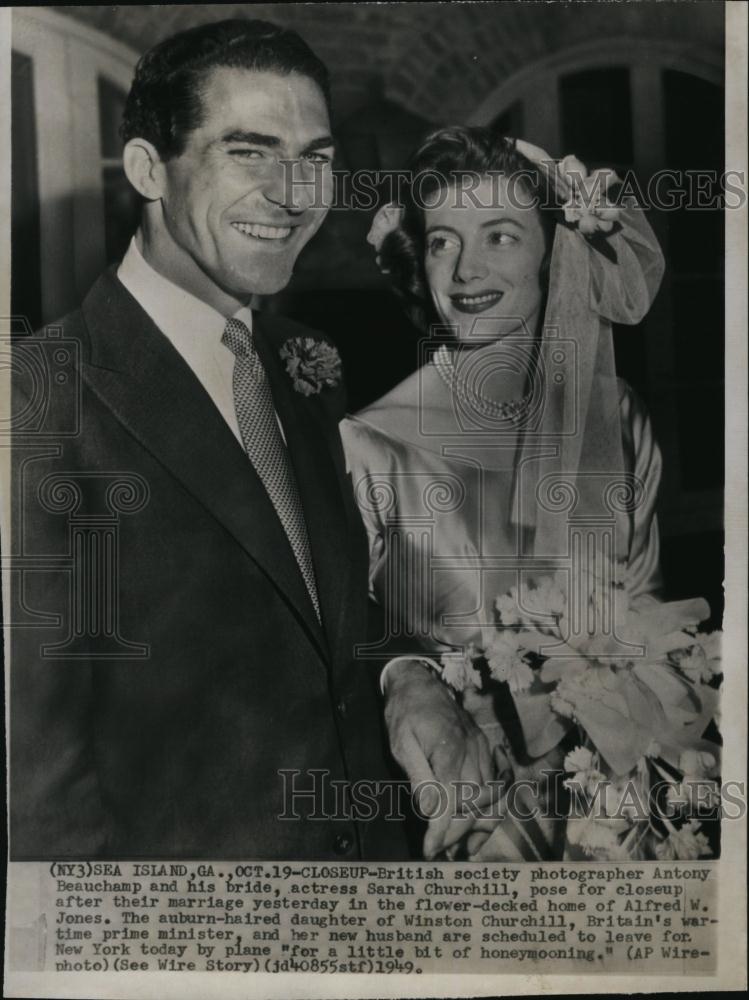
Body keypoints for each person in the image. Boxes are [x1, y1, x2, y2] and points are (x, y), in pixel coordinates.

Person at [10, 18, 461, 860]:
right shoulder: (35, 402)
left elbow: (320, 596)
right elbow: (37, 789)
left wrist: (407, 675)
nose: (293, 195)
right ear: (148, 168)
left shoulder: (303, 365)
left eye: (316, 157)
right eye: (248, 152)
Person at [341, 126, 667, 860]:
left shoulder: (614, 416)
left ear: (558, 252)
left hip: (612, 814)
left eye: (500, 237)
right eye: (441, 242)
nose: (463, 271)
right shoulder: (367, 443)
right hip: (459, 822)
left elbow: (645, 620)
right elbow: (341, 650)